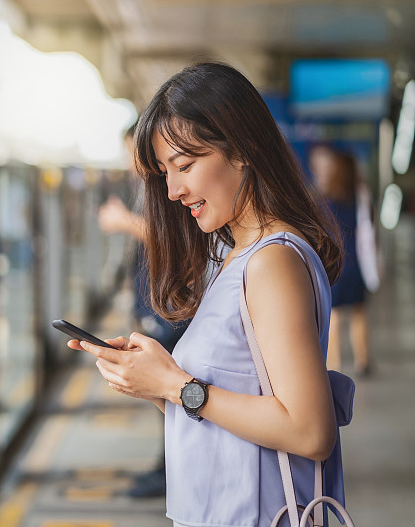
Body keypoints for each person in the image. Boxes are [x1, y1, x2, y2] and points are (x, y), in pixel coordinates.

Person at [69, 62, 347, 526]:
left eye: (185, 165)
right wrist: (156, 380)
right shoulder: (235, 255)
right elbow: (235, 403)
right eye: (164, 172)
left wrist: (176, 386)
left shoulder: (271, 263)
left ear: (241, 150)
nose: (174, 189)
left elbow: (309, 429)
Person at [98, 124, 189, 498]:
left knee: (170, 389)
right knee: (164, 393)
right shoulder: (151, 187)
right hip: (157, 304)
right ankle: (165, 467)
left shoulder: (167, 191)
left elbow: (166, 237)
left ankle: (172, 472)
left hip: (170, 308)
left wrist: (122, 222)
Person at [309, 145, 373, 376]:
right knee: (359, 312)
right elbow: (368, 229)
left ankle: (334, 362)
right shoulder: (358, 196)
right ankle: (363, 360)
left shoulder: (324, 200)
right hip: (357, 264)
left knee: (333, 315)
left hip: (336, 263)